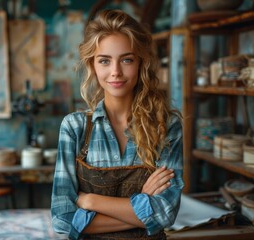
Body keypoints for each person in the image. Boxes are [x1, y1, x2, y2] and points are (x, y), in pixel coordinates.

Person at [51, 9, 183, 240]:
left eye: (127, 59)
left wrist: (90, 201)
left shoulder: (166, 126)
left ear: (141, 62)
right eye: (104, 61)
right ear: (92, 66)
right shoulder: (75, 127)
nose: (116, 72)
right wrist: (141, 206)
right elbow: (62, 218)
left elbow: (165, 213)